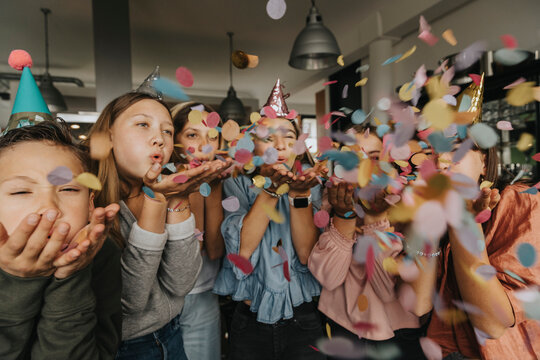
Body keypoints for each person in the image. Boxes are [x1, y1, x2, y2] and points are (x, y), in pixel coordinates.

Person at [408, 78, 540, 359]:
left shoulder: (521, 204)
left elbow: (491, 323)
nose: (443, 160)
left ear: (483, 160)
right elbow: (418, 305)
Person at [87, 92, 225, 359]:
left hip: (170, 337)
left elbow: (181, 283)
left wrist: (178, 198)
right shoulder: (92, 204)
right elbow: (131, 303)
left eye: (167, 131)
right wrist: (157, 200)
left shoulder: (170, 189)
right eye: (143, 124)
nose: (159, 139)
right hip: (122, 348)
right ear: (109, 136)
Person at [213, 79, 328, 360]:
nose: (280, 145)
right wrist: (269, 190)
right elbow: (242, 251)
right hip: (249, 319)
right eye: (268, 137)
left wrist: (297, 195)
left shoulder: (311, 185)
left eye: (289, 136)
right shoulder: (236, 184)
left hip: (304, 317)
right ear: (250, 145)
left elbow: (305, 254)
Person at [0, 120, 121, 360]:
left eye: (68, 190)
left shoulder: (101, 252)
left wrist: (71, 274)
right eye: (21, 191)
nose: (49, 208)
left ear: (89, 204)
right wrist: (17, 281)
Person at [308, 123, 426, 360]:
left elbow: (386, 290)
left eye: (373, 157)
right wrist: (344, 218)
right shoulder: (331, 203)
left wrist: (375, 220)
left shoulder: (409, 209)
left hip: (397, 333)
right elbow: (329, 278)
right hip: (343, 329)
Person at [172, 102, 231, 360]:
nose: (204, 146)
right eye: (192, 135)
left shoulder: (217, 180)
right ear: (174, 139)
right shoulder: (162, 182)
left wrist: (212, 187)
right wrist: (191, 185)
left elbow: (215, 250)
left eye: (212, 137)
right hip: (164, 300)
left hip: (204, 295)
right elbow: (189, 255)